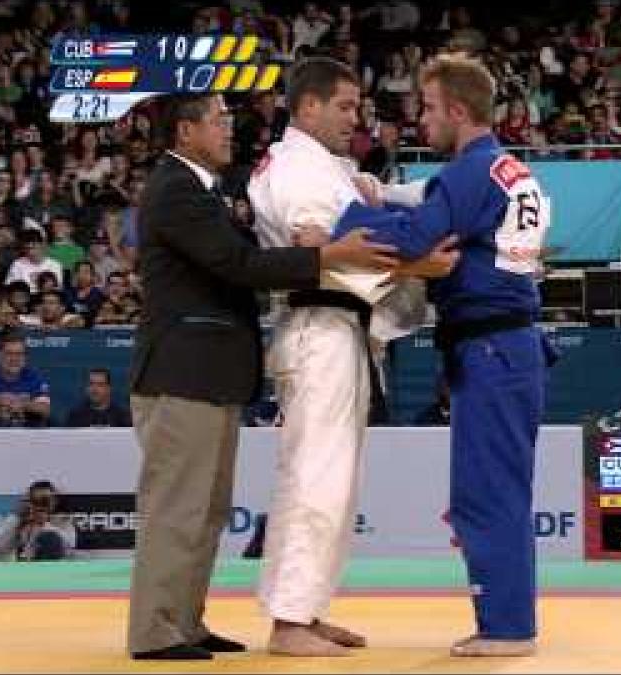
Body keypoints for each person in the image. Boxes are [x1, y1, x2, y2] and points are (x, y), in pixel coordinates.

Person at [125, 92, 395, 662]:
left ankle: (185, 621)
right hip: (182, 372)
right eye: (218, 120)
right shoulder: (175, 189)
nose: (229, 129)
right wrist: (326, 256)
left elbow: (237, 259)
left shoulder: (204, 190)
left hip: (209, 373)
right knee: (179, 507)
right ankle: (155, 631)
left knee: (206, 508)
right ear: (183, 131)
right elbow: (239, 266)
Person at [334, 54, 553, 657]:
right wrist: (389, 198)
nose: (421, 120)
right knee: (501, 490)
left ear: (459, 110)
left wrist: (340, 218)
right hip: (511, 347)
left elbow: (408, 238)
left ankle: (507, 629)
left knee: (486, 495)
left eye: (428, 109)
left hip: (490, 347)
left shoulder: (465, 175)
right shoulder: (514, 172)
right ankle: (509, 622)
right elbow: (437, 217)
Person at [246, 56, 458, 657]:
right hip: (319, 327)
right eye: (343, 107)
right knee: (316, 475)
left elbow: (357, 219)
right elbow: (316, 245)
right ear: (307, 106)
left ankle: (306, 611)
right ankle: (289, 621)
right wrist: (421, 266)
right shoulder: (295, 168)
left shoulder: (325, 167)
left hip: (342, 329)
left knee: (334, 479)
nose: (355, 118)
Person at [0, 331, 51, 427]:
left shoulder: (34, 377)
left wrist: (25, 404)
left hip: (27, 435)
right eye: (9, 353)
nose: (14, 359)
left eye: (19, 354)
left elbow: (45, 410)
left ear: (25, 357)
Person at [0, 480, 77, 561]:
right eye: (36, 500)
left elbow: (70, 545)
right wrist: (17, 518)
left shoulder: (61, 519)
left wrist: (45, 524)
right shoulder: (20, 520)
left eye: (45, 500)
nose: (41, 504)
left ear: (54, 501)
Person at [64, 368, 131, 427]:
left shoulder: (122, 418)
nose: (94, 389)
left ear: (109, 388)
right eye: (91, 384)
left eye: (100, 385)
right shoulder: (75, 417)